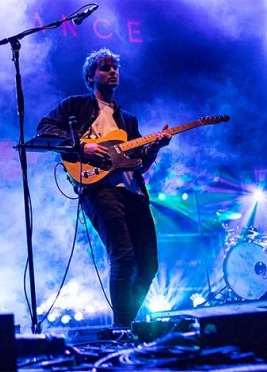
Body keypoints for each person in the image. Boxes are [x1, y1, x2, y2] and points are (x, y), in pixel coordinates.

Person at [36, 48, 171, 327]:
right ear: (90, 76)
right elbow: (44, 128)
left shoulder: (128, 120)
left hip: (133, 192)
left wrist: (154, 149)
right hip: (99, 189)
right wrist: (83, 147)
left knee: (148, 264)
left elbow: (138, 164)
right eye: (105, 67)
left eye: (115, 68)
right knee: (123, 257)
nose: (112, 72)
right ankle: (122, 330)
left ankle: (126, 324)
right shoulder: (76, 105)